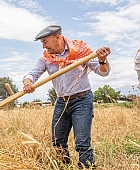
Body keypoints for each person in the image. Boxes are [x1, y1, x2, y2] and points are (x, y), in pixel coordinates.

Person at [23, 25, 111, 168]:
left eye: (45, 41)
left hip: (82, 100)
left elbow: (103, 72)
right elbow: (33, 74)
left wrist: (102, 60)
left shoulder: (80, 50)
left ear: (57, 37)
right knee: (58, 142)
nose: (43, 46)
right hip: (61, 102)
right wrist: (28, 82)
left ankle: (87, 167)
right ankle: (64, 167)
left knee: (82, 142)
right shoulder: (46, 58)